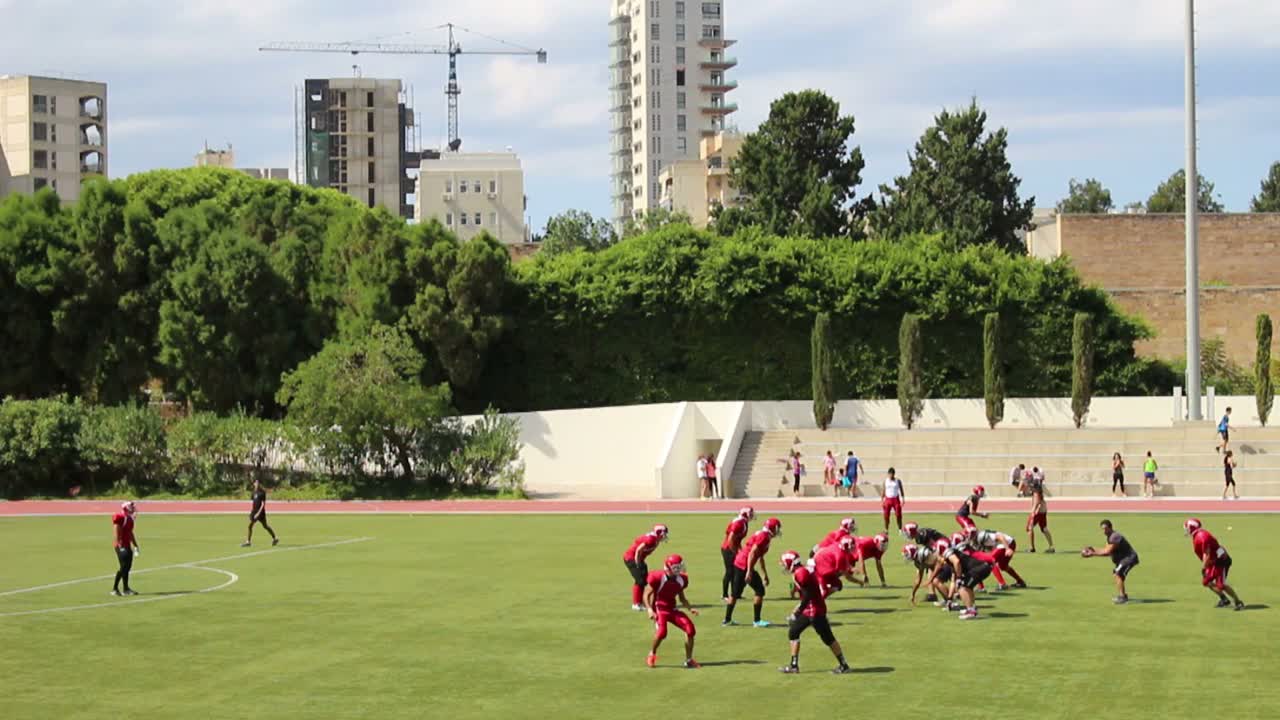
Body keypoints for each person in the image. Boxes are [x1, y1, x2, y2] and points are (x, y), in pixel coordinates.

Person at [777, 550, 853, 675]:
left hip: (814, 611)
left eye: (785, 563)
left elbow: (808, 595)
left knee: (828, 638)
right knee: (793, 632)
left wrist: (797, 611)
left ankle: (844, 665)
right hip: (811, 609)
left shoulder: (800, 573)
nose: (784, 566)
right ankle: (794, 666)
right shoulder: (800, 571)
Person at [644, 554, 701, 668]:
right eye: (676, 567)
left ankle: (689, 660)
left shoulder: (681, 579)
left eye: (679, 567)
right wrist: (650, 609)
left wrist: (690, 608)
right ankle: (652, 654)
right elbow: (646, 594)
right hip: (660, 608)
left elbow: (682, 598)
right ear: (668, 568)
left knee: (690, 630)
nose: (679, 569)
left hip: (672, 608)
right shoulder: (657, 577)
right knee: (662, 633)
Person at [726, 517, 782, 627]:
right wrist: (749, 571)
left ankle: (727, 620)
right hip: (744, 565)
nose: (778, 530)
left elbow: (759, 557)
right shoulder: (764, 536)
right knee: (759, 590)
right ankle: (757, 621)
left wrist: (764, 574)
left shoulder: (764, 535)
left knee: (735, 594)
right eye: (777, 528)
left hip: (740, 563)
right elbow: (752, 553)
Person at [1184, 518, 1245, 610]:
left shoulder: (1202, 536)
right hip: (1213, 561)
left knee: (1221, 585)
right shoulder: (1198, 536)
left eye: (1187, 527)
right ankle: (1224, 599)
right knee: (1207, 582)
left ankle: (1238, 602)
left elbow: (1207, 553)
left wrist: (1204, 568)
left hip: (1221, 561)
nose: (1186, 530)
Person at [1081, 519, 1139, 604]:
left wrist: (1092, 553)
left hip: (1129, 558)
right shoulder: (1110, 537)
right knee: (1117, 574)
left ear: (1110, 527)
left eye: (1105, 528)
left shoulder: (1114, 537)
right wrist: (1093, 549)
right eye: (1102, 529)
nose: (1104, 531)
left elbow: (1107, 552)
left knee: (1117, 574)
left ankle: (1122, 597)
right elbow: (1106, 550)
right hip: (1124, 559)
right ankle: (1122, 595)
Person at [941, 539, 992, 620]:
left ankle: (971, 611)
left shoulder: (948, 554)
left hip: (980, 568)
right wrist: (949, 599)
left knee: (963, 587)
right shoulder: (951, 563)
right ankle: (972, 608)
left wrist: (959, 578)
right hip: (983, 567)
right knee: (967, 587)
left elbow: (957, 562)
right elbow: (953, 581)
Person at [623, 524, 669, 611]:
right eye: (664, 534)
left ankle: (644, 601)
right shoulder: (651, 539)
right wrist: (638, 564)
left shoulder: (656, 539)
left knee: (646, 580)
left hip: (639, 559)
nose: (665, 536)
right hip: (631, 558)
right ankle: (636, 604)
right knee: (640, 581)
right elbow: (638, 550)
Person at [721, 507, 754, 601]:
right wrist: (735, 551)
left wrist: (740, 549)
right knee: (730, 571)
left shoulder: (743, 522)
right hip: (728, 549)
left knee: (736, 572)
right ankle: (725, 594)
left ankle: (735, 594)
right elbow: (730, 539)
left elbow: (737, 539)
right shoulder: (739, 523)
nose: (752, 515)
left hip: (733, 547)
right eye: (750, 514)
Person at [111, 501, 141, 596]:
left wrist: (135, 545)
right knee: (124, 567)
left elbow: (130, 533)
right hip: (121, 546)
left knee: (127, 567)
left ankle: (126, 589)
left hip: (127, 545)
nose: (133, 508)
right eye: (131, 507)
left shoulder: (130, 519)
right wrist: (120, 546)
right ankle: (115, 588)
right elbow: (116, 531)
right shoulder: (120, 517)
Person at [242, 478, 279, 548]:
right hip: (254, 511)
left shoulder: (262, 492)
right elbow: (254, 503)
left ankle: (248, 542)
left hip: (260, 513)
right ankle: (275, 538)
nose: (257, 484)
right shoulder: (253, 493)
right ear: (254, 484)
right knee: (255, 526)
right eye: (256, 483)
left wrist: (258, 513)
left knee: (261, 526)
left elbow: (263, 504)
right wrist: (252, 512)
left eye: (258, 483)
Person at [1025, 471, 1055, 553]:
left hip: (1037, 511)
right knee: (1044, 528)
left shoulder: (1034, 485)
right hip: (1043, 510)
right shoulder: (1037, 483)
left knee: (1029, 528)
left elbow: (1037, 498)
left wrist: (1034, 510)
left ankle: (1032, 548)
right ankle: (1051, 546)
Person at [880, 467, 905, 533]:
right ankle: (886, 529)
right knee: (886, 516)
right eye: (890, 474)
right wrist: (882, 500)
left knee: (898, 515)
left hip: (895, 499)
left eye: (892, 474)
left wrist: (903, 499)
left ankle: (900, 529)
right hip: (888, 499)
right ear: (888, 474)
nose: (891, 475)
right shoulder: (885, 481)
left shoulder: (898, 481)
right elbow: (883, 490)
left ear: (894, 474)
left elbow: (901, 489)